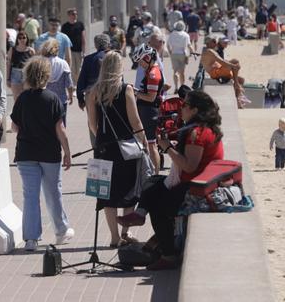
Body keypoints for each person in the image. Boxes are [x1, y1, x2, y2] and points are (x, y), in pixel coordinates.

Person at [117, 91, 225, 270]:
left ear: (194, 110)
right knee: (153, 182)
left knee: (159, 206)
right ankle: (140, 214)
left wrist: (167, 148)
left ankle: (169, 254)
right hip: (199, 184)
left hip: (196, 190)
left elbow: (189, 166)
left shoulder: (197, 133)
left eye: (185, 105)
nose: (181, 108)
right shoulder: (205, 128)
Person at [11, 56, 74, 251]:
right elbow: (60, 130)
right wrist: (68, 152)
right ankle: (61, 230)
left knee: (30, 195)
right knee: (53, 192)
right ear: (46, 76)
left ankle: (31, 239)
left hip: (26, 152)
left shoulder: (22, 98)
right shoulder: (52, 99)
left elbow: (14, 127)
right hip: (49, 153)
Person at [86, 52, 147, 247]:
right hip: (125, 148)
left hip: (104, 148)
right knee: (129, 191)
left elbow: (92, 124)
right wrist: (143, 141)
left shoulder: (93, 92)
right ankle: (125, 233)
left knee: (106, 193)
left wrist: (103, 138)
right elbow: (135, 120)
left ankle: (114, 236)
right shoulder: (126, 89)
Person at [132, 45, 164, 173]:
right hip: (147, 111)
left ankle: (156, 173)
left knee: (151, 145)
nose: (140, 64)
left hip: (149, 112)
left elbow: (151, 97)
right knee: (149, 144)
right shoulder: (151, 71)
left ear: (147, 58)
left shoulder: (152, 74)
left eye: (141, 61)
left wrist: (134, 93)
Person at [200, 37, 249, 108]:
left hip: (218, 71)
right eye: (214, 41)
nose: (216, 43)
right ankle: (237, 87)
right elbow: (222, 62)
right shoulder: (210, 51)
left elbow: (221, 62)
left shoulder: (208, 50)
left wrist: (233, 66)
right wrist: (234, 66)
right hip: (215, 73)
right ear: (208, 43)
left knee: (241, 79)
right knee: (235, 61)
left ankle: (237, 95)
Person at [39, 39, 75, 126]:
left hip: (43, 99)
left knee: (45, 125)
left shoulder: (40, 63)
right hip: (61, 99)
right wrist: (70, 96)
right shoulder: (63, 63)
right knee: (61, 124)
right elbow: (69, 84)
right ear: (57, 49)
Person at [75, 34, 110, 111]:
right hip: (110, 95)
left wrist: (80, 99)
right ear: (108, 44)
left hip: (92, 96)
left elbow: (81, 80)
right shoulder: (115, 57)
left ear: (95, 45)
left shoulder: (88, 59)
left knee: (92, 122)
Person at [6, 30, 35, 102]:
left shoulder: (31, 50)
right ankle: (17, 113)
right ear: (17, 39)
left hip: (27, 74)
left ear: (27, 39)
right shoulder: (12, 49)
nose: (22, 39)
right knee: (17, 99)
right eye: (20, 38)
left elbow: (34, 66)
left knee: (27, 98)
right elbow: (8, 64)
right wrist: (8, 79)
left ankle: (26, 113)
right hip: (15, 74)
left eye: (24, 37)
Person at [167, 21, 194, 89]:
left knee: (175, 70)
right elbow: (189, 45)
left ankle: (176, 87)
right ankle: (182, 86)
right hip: (182, 54)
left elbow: (168, 45)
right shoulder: (185, 35)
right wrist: (193, 52)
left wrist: (170, 52)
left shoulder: (172, 34)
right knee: (182, 72)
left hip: (174, 53)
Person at [61, 8, 86, 78]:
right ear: (69, 15)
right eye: (73, 14)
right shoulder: (65, 26)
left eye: (76, 14)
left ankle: (78, 85)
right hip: (69, 51)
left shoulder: (80, 24)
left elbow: (83, 38)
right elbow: (63, 40)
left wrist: (84, 52)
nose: (75, 15)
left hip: (78, 51)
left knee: (79, 70)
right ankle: (74, 86)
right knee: (71, 69)